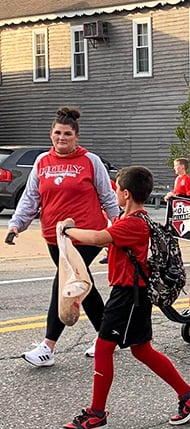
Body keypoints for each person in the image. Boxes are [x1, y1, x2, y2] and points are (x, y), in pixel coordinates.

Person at [58, 166, 190, 429]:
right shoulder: (131, 219)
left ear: (125, 194)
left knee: (103, 348)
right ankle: (189, 396)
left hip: (128, 295)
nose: (115, 193)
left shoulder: (133, 223)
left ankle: (96, 414)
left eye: (116, 189)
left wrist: (69, 231)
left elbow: (101, 238)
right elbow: (107, 233)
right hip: (131, 294)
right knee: (142, 350)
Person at [7, 107, 119, 366]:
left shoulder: (90, 161)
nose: (62, 138)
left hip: (87, 235)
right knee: (84, 287)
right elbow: (31, 198)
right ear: (51, 134)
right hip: (54, 236)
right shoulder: (42, 162)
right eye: (57, 133)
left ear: (76, 136)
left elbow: (107, 196)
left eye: (67, 134)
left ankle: (48, 347)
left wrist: (120, 226)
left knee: (65, 284)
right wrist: (16, 225)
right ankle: (107, 337)